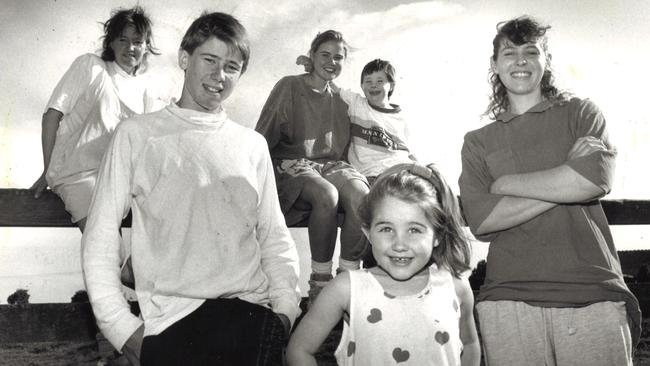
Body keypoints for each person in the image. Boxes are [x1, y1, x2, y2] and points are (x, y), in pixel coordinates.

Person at [82, 12, 300, 366]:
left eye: (232, 66)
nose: (219, 75)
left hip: (253, 321)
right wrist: (122, 329)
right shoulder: (137, 135)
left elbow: (274, 235)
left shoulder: (252, 145)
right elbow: (101, 236)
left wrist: (285, 312)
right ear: (185, 59)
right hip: (170, 326)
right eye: (209, 60)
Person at [458, 15, 641, 365]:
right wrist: (563, 179)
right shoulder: (478, 141)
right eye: (509, 53)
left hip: (592, 291)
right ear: (495, 66)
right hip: (507, 297)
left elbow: (592, 181)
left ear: (546, 62)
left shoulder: (580, 114)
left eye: (531, 51)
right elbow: (481, 219)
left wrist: (506, 185)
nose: (521, 60)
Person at [288, 163, 480, 366]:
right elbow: (299, 350)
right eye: (387, 229)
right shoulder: (346, 289)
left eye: (414, 230)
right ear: (368, 233)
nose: (399, 244)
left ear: (437, 235)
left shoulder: (455, 287)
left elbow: (469, 343)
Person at [256, 30, 369, 302]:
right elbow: (263, 134)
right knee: (326, 194)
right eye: (325, 55)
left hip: (331, 165)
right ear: (312, 56)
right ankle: (320, 283)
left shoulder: (342, 98)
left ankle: (347, 281)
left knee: (362, 197)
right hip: (292, 162)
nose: (331, 61)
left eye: (338, 57)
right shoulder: (290, 86)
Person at [30, 6, 160, 232]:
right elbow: (51, 116)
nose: (130, 48)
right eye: (122, 40)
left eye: (137, 42)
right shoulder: (91, 67)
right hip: (78, 176)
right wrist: (48, 171)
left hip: (120, 182)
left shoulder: (147, 89)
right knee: (106, 252)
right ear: (110, 43)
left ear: (146, 47)